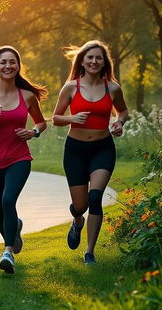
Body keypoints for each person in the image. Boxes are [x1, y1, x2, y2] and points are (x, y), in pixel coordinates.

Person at [0, 46, 47, 274]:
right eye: (3, 62)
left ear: (18, 66)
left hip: (19, 157)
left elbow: (41, 122)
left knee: (8, 200)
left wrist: (34, 132)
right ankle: (15, 231)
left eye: (12, 62)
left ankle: (7, 252)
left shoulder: (27, 96)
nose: (8, 66)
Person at [52, 40, 129, 264]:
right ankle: (77, 221)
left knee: (95, 198)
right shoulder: (71, 87)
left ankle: (90, 252)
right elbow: (55, 118)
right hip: (75, 151)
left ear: (105, 62)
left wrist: (119, 122)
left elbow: (122, 110)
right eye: (90, 58)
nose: (94, 61)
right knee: (81, 206)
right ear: (82, 62)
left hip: (102, 149)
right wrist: (72, 119)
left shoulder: (112, 88)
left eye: (99, 58)